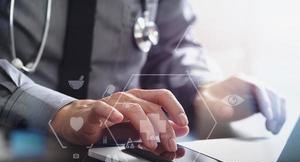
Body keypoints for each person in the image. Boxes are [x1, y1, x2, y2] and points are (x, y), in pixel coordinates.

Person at [0, 0, 285, 152]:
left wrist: (202, 89)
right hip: (12, 154)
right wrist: (58, 112)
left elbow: (169, 44)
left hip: (118, 158)